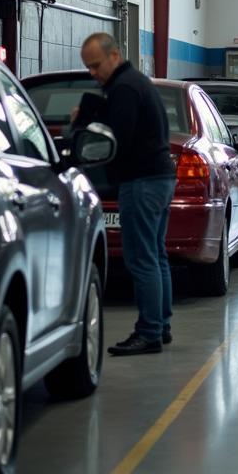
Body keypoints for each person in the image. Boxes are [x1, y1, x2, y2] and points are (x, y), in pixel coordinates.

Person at [79, 32, 176, 357]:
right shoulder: (136, 82)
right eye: (88, 67)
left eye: (95, 65)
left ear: (114, 56)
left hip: (143, 181)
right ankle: (160, 325)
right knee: (156, 254)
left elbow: (116, 140)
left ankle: (148, 332)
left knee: (140, 257)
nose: (93, 72)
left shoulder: (124, 88)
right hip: (160, 178)